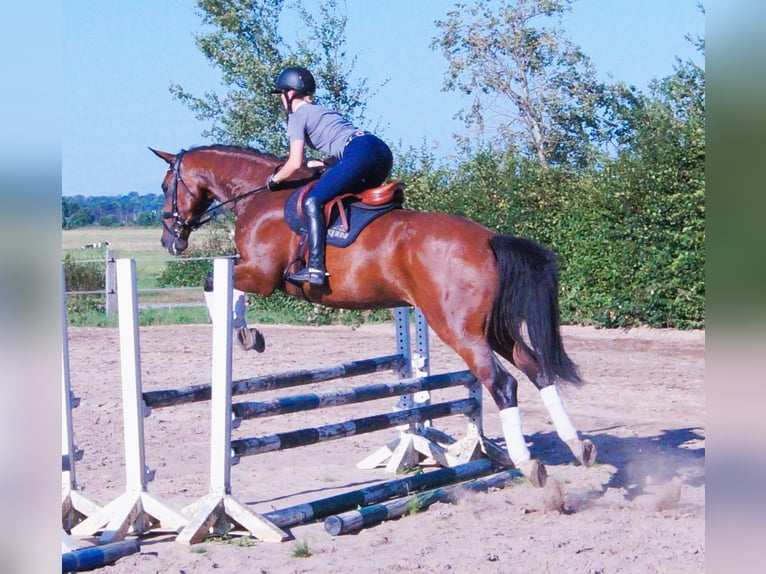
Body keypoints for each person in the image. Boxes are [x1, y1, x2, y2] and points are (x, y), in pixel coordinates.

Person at [267, 66, 393, 286]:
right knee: (351, 198)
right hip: (380, 151)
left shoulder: (297, 115)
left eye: (280, 95)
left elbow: (294, 163)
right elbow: (346, 146)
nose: (280, 101)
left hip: (359, 151)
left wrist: (274, 180)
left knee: (313, 200)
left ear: (290, 93)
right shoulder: (322, 110)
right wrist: (325, 163)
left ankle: (315, 267)